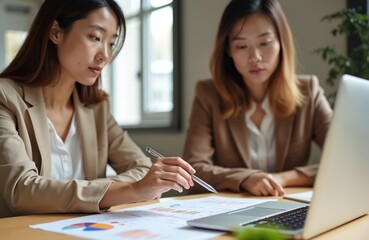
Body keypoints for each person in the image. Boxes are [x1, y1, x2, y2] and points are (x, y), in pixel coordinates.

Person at [0, 0, 195, 218]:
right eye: (95, 37)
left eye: (111, 43)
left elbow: (142, 168)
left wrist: (71, 191)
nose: (105, 55)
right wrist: (131, 189)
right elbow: (21, 191)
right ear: (55, 32)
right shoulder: (5, 97)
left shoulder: (96, 109)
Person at [183, 0, 332, 196]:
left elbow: (348, 157)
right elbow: (193, 170)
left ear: (282, 42)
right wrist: (245, 179)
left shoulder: (309, 90)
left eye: (264, 43)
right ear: (228, 51)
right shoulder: (208, 95)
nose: (255, 57)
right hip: (232, 210)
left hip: (286, 205)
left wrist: (283, 178)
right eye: (242, 46)